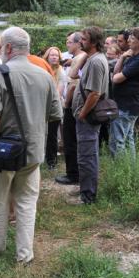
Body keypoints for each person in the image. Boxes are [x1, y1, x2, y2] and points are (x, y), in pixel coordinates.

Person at [0, 27, 62, 264]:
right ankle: (24, 255)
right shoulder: (45, 75)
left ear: (7, 48)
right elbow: (55, 114)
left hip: (4, 153)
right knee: (27, 202)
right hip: (33, 152)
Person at [72, 26, 109, 204]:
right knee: (86, 155)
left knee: (87, 156)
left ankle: (88, 196)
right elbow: (74, 75)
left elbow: (95, 93)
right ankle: (85, 190)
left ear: (94, 42)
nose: (80, 42)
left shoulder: (95, 62)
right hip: (85, 115)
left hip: (88, 117)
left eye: (84, 40)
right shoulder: (93, 58)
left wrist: (82, 114)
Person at [110, 27, 139, 158]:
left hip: (127, 106)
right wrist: (122, 57)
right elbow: (116, 74)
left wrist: (116, 76)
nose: (128, 40)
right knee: (128, 138)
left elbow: (116, 78)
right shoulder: (137, 56)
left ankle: (121, 172)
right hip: (130, 104)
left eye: (132, 38)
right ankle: (130, 168)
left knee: (118, 141)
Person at [56, 32, 86, 185]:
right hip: (75, 103)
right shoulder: (77, 58)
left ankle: (72, 174)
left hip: (73, 104)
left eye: (69, 42)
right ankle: (73, 172)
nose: (67, 45)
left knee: (70, 140)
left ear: (78, 43)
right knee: (71, 140)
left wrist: (67, 104)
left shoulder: (80, 58)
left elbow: (73, 83)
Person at [42, 46, 66, 169]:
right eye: (52, 55)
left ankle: (51, 161)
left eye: (56, 55)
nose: (54, 57)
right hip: (41, 105)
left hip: (54, 105)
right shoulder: (42, 69)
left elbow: (58, 93)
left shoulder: (61, 71)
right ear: (47, 56)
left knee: (52, 135)